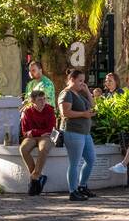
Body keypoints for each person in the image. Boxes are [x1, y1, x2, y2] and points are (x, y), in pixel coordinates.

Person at [59, 69, 97, 202]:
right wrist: (83, 114)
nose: (82, 83)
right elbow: (65, 113)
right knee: (75, 163)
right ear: (72, 79)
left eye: (83, 81)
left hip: (85, 132)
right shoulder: (67, 94)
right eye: (80, 80)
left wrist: (87, 91)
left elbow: (93, 105)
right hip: (73, 132)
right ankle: (73, 191)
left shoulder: (79, 93)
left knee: (91, 159)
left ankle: (82, 186)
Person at [19, 90, 56, 195]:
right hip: (33, 137)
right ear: (33, 101)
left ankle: (34, 177)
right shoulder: (27, 112)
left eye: (44, 99)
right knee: (23, 149)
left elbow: (51, 129)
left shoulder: (49, 110)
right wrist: (37, 132)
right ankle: (37, 177)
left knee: (43, 148)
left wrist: (34, 132)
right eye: (40, 100)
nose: (43, 101)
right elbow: (25, 131)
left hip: (46, 137)